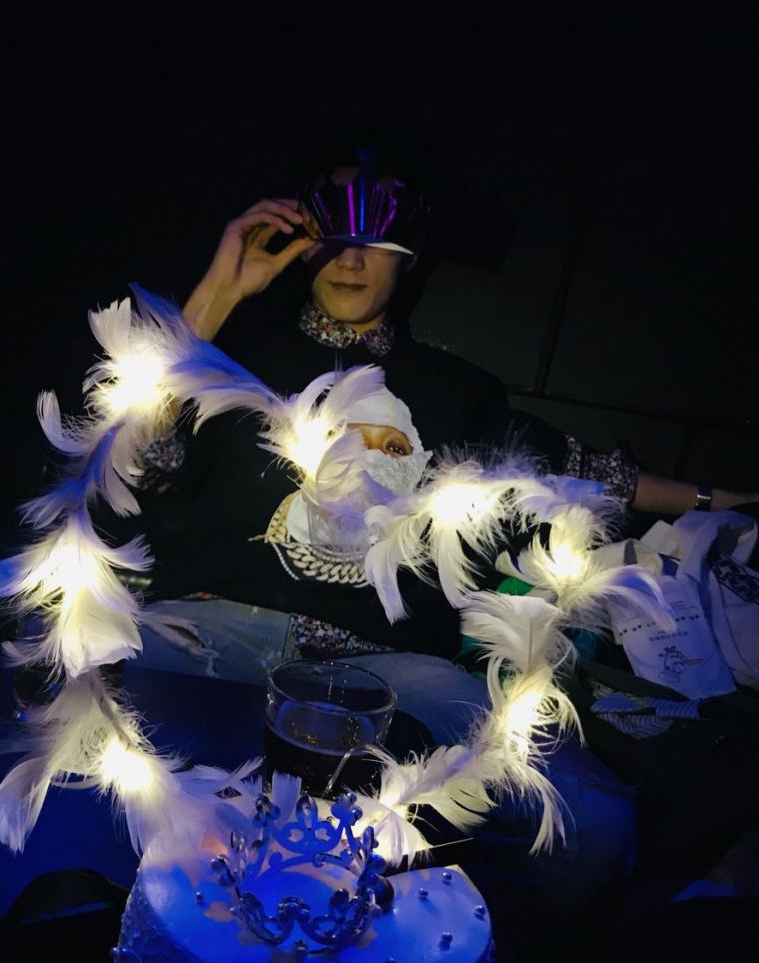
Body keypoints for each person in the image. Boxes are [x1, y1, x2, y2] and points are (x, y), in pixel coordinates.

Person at [113, 151, 753, 951]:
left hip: (389, 665)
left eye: (378, 232)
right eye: (335, 226)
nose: (353, 256)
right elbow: (126, 457)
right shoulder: (230, 355)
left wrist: (724, 500)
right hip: (214, 633)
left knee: (590, 821)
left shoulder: (456, 392)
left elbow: (583, 471)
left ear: (411, 251)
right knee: (111, 751)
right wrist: (221, 288)